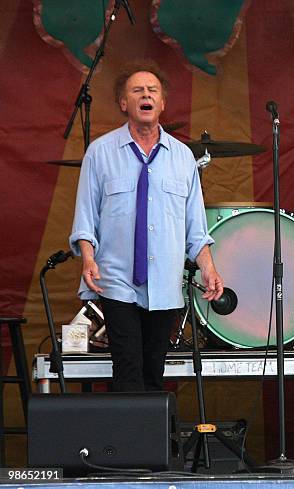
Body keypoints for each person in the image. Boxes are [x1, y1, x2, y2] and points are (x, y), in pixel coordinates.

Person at [69, 60, 223, 392]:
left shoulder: (182, 157)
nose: (146, 95)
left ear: (162, 103)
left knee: (154, 372)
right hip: (116, 279)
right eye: (137, 90)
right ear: (124, 103)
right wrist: (88, 258)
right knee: (127, 368)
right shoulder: (100, 153)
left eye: (152, 90)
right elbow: (85, 217)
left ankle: (151, 443)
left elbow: (196, 227)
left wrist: (208, 268)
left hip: (165, 283)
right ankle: (127, 443)